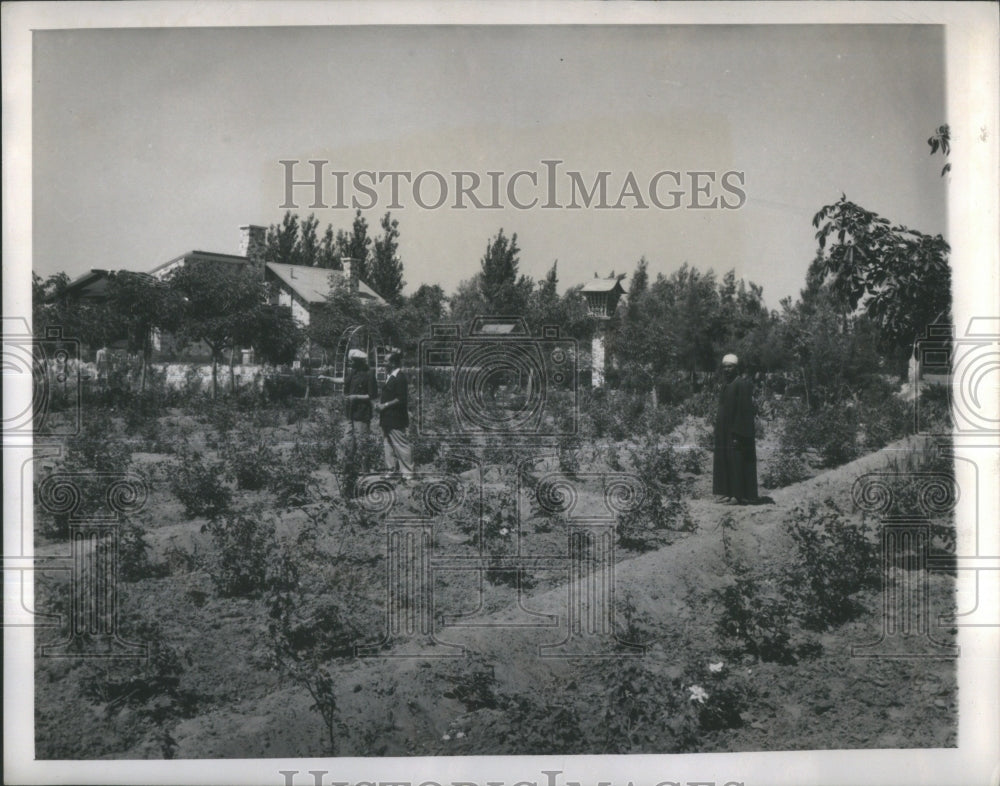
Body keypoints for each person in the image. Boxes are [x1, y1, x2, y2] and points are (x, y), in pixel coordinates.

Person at [712, 353, 758, 504]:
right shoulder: (726, 384)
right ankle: (726, 492)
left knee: (736, 461)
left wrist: (738, 433)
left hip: (736, 432)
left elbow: (744, 411)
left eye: (730, 366)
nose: (727, 369)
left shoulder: (741, 384)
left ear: (736, 368)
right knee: (725, 461)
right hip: (724, 431)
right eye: (724, 367)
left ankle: (737, 495)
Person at [375, 350, 414, 483]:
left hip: (396, 417)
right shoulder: (391, 376)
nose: (384, 363)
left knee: (401, 444)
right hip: (387, 417)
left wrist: (384, 405)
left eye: (386, 361)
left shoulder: (400, 378)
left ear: (392, 363)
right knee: (388, 444)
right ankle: (391, 470)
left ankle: (407, 473)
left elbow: (401, 399)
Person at [343, 348, 378, 464]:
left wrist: (356, 397)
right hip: (350, 412)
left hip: (362, 413)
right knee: (348, 440)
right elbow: (344, 381)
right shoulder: (353, 372)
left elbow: (372, 395)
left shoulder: (369, 374)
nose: (350, 363)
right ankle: (349, 466)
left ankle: (365, 469)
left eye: (352, 361)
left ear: (359, 362)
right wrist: (328, 379)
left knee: (362, 442)